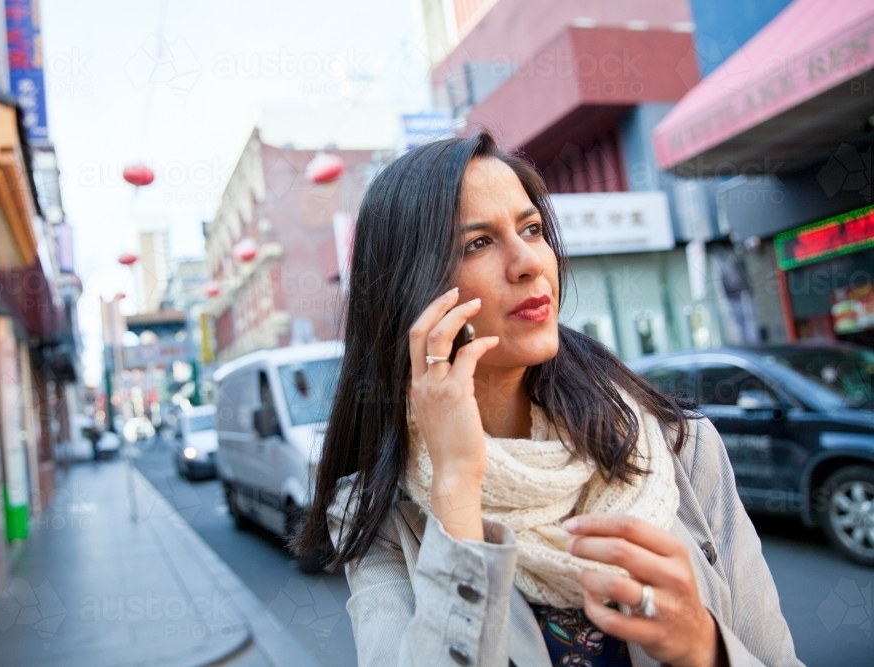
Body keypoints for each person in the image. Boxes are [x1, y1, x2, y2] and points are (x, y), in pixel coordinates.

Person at [293, 132, 803, 667]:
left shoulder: (678, 447)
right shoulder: (379, 517)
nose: (529, 263)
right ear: (413, 293)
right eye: (478, 243)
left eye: (531, 229)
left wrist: (704, 647)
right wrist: (456, 490)